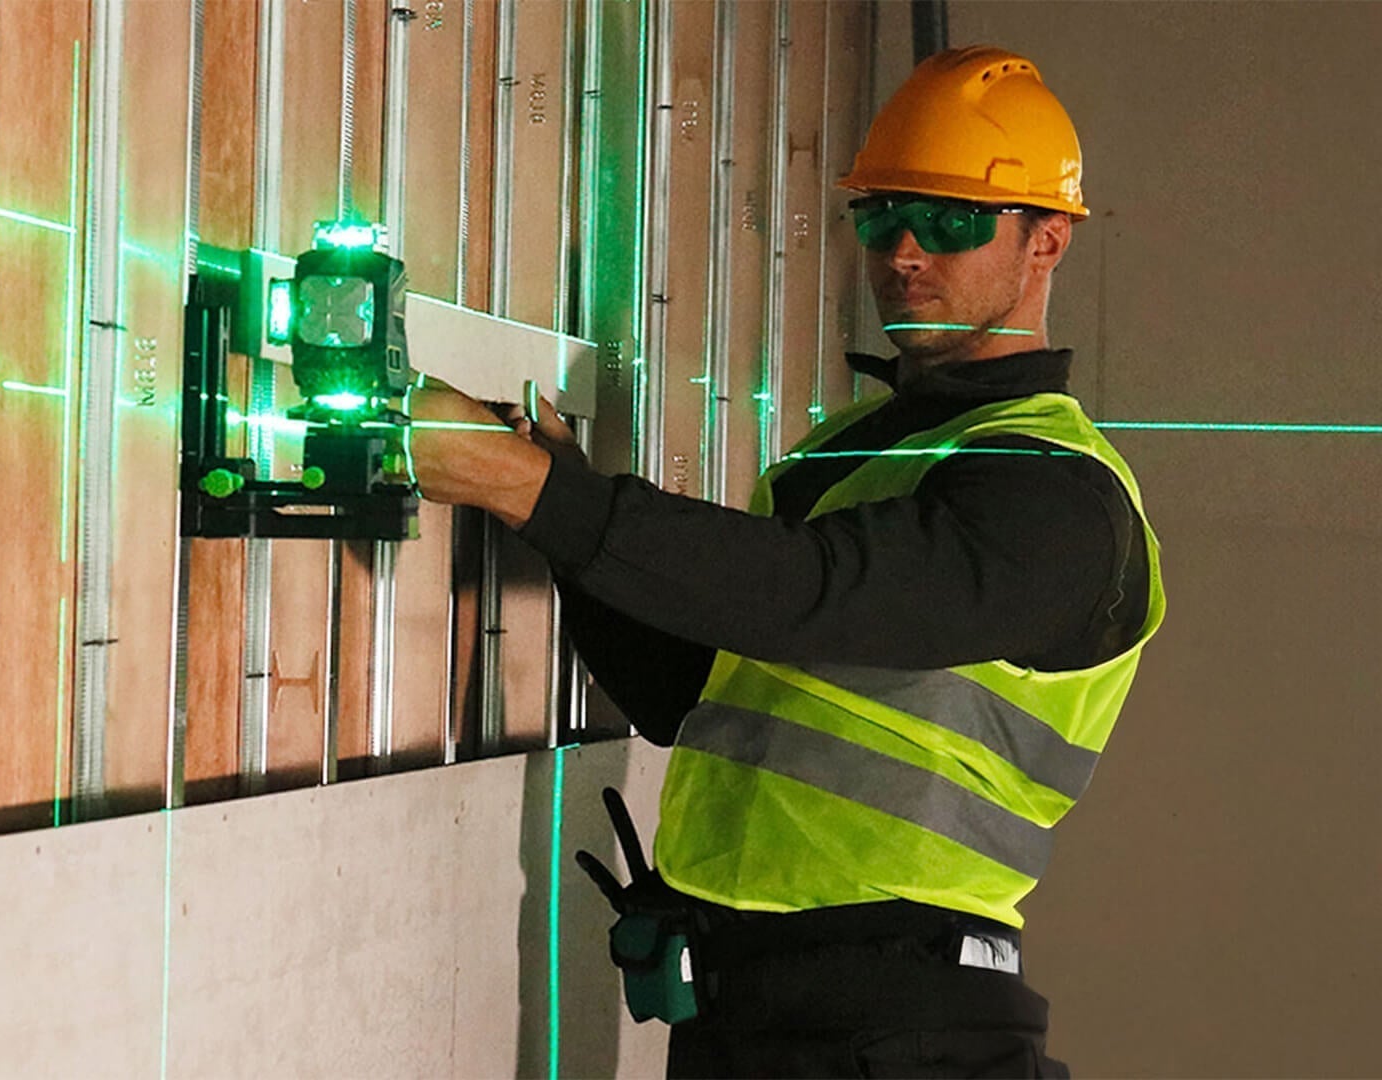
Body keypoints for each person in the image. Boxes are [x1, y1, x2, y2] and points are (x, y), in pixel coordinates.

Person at [408, 44, 1165, 1078]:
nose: (903, 250)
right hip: (746, 1010)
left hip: (904, 1021)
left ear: (1048, 241)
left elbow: (814, 595)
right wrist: (551, 509)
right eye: (880, 215)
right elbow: (689, 687)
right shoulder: (838, 458)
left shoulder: (1061, 498)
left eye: (949, 221)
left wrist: (537, 492)